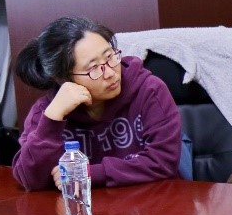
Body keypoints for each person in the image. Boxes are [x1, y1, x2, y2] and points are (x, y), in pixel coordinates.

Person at [11, 17, 182, 190]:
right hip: (81, 206)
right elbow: (29, 179)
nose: (110, 73)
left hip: (152, 200)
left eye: (110, 56)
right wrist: (52, 121)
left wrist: (92, 173)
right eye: (93, 68)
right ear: (62, 79)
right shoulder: (46, 112)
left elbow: (164, 161)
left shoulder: (149, 90)